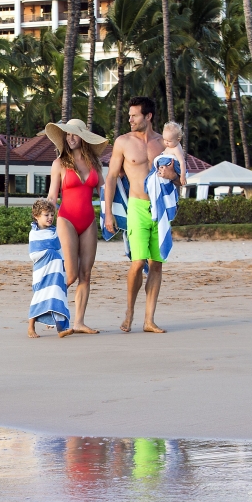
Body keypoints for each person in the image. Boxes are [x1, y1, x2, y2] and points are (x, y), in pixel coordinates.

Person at [102, 97, 179, 333]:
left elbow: (178, 177)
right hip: (136, 206)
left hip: (159, 209)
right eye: (129, 115)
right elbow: (112, 177)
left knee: (156, 264)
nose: (130, 119)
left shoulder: (164, 144)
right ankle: (129, 311)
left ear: (148, 116)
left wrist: (172, 177)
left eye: (134, 115)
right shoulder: (123, 142)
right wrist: (107, 215)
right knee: (137, 263)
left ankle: (149, 320)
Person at [45, 118, 108, 335]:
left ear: (83, 137)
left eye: (74, 134)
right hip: (67, 219)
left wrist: (111, 214)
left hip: (89, 221)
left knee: (86, 274)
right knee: (70, 274)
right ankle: (49, 307)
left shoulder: (95, 164)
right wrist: (45, 216)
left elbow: (104, 193)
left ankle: (79, 322)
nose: (70, 139)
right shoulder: (59, 164)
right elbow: (53, 196)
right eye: (67, 135)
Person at [28, 198, 71, 339]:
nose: (50, 217)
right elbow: (34, 254)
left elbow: (59, 250)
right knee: (40, 296)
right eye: (46, 215)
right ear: (37, 216)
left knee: (57, 295)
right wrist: (49, 253)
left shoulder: (54, 231)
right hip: (42, 271)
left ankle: (61, 329)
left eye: (52, 214)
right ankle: (30, 327)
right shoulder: (34, 233)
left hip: (56, 271)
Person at [160, 122, 188, 186]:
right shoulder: (170, 146)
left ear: (178, 140)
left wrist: (183, 176)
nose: (166, 142)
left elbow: (182, 162)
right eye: (165, 139)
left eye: (169, 141)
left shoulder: (176, 148)